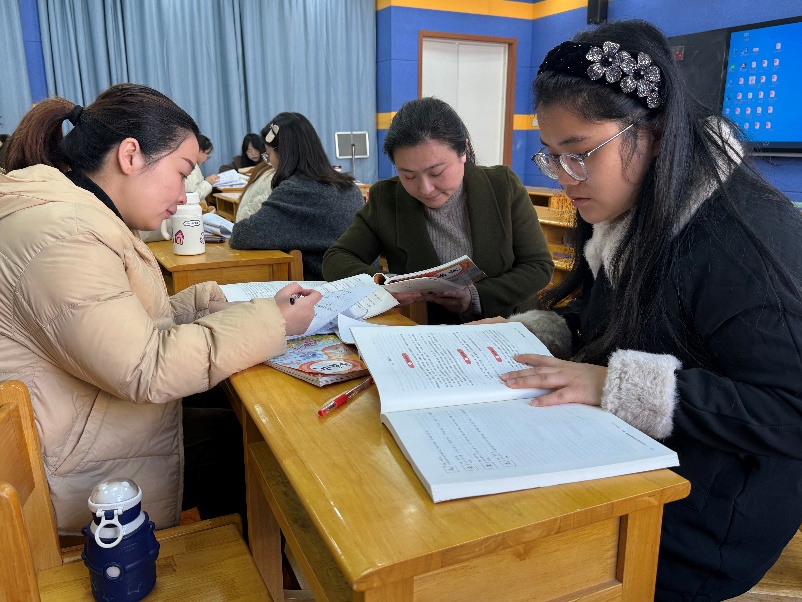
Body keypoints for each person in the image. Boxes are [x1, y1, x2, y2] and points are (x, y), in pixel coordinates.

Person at [486, 20, 802, 601]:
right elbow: (619, 318)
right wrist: (532, 334)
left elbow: (789, 411)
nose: (562, 179)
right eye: (551, 157)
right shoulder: (633, 207)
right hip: (636, 463)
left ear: (652, 133)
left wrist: (616, 385)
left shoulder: (742, 238)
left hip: (705, 518)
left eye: (579, 154)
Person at [0, 83, 322, 536]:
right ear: (130, 156)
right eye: (182, 171)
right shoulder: (63, 232)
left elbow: (114, 321)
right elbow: (146, 366)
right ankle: (239, 567)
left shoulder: (76, 213)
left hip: (80, 424)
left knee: (235, 417)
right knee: (252, 443)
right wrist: (272, 320)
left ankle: (243, 558)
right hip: (71, 470)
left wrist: (203, 304)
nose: (185, 192)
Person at [322, 97, 554, 325]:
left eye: (436, 172)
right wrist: (382, 283)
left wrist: (475, 296)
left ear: (463, 150)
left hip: (505, 327)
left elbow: (538, 266)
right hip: (425, 332)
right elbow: (337, 258)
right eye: (408, 175)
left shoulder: (502, 187)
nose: (425, 188)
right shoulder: (387, 198)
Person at [229, 112, 364, 280]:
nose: (270, 162)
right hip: (362, 290)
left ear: (284, 155)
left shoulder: (296, 190)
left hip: (326, 292)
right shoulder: (350, 187)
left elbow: (242, 235)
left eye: (269, 155)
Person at [235, 157, 275, 223]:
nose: (253, 153)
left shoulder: (263, 167)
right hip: (250, 226)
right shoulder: (274, 175)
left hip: (244, 223)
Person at [185, 133, 219, 200]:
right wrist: (208, 182)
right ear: (199, 150)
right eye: (207, 153)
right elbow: (194, 196)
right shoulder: (191, 169)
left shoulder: (192, 165)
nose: (207, 157)